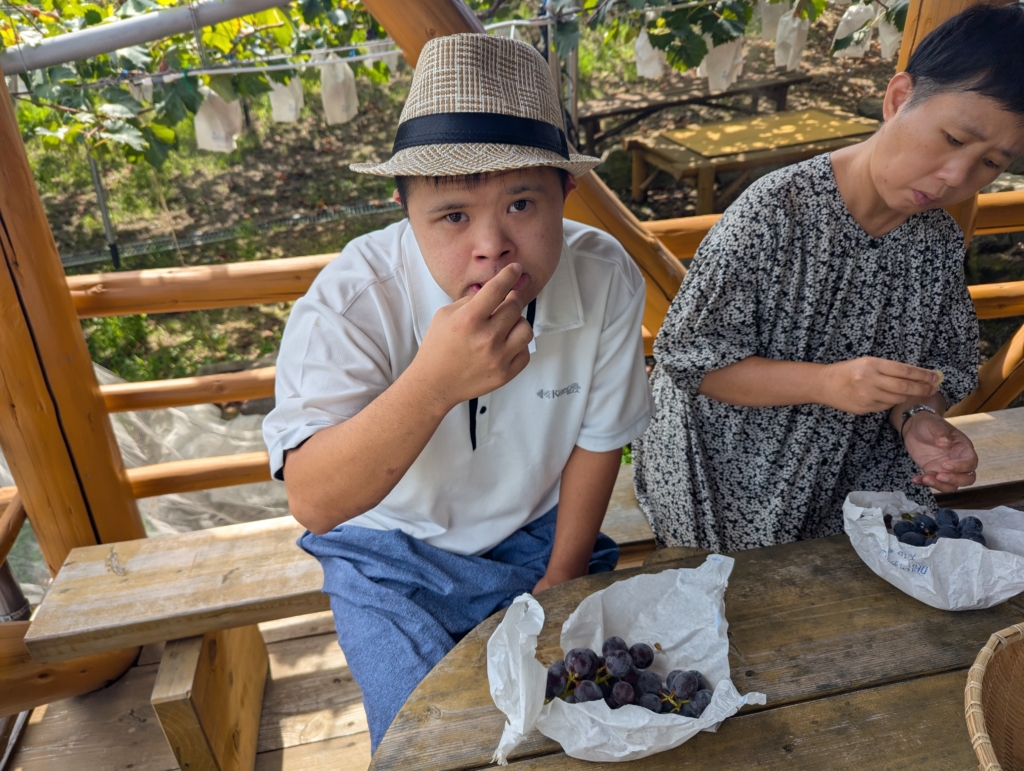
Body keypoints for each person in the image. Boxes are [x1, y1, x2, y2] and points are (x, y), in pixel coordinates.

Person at [262, 33, 652, 752]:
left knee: (589, 721)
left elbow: (600, 442)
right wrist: (434, 383)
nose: (491, 245)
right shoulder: (352, 302)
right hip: (387, 557)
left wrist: (562, 575)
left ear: (565, 194)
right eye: (452, 215)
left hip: (539, 534)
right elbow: (314, 501)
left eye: (522, 203)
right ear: (403, 208)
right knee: (426, 745)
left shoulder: (604, 277)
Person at [633, 4, 1024, 552]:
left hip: (848, 487)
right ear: (898, 99)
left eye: (991, 164)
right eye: (955, 139)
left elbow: (930, 375)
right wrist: (825, 384)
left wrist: (918, 420)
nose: (956, 176)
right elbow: (693, 361)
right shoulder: (776, 212)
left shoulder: (935, 239)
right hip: (726, 486)